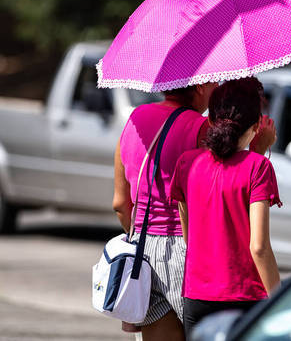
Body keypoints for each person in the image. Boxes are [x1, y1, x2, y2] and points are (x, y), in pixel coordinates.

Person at [113, 83, 275, 341]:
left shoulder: (134, 120)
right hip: (185, 251)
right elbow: (231, 181)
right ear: (200, 87)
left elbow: (121, 204)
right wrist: (259, 149)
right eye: (213, 82)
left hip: (141, 249)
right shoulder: (200, 126)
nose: (217, 86)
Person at [169, 77, 281, 337]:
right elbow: (259, 247)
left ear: (209, 121)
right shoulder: (259, 167)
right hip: (245, 297)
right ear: (256, 125)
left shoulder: (186, 163)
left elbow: (189, 236)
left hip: (197, 295)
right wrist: (280, 300)